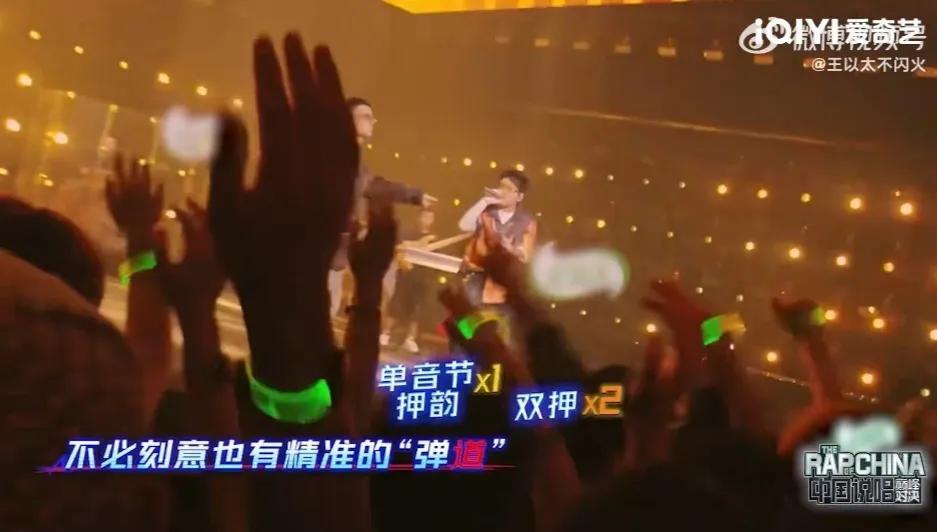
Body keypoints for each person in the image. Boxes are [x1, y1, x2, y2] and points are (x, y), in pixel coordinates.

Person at [328, 97, 437, 317]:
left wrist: (415, 196)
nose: (373, 121)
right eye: (366, 116)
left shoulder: (352, 161)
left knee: (325, 308)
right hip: (318, 251)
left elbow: (374, 186)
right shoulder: (332, 155)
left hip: (332, 254)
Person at [457, 169, 537, 309]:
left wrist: (510, 249)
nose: (503, 191)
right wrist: (485, 201)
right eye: (501, 186)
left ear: (519, 196)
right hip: (475, 276)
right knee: (467, 319)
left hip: (501, 283)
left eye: (509, 189)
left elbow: (526, 255)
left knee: (494, 320)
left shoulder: (526, 222)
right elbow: (464, 226)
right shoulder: (486, 212)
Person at [381, 207, 438, 353]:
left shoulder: (435, 238)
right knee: (397, 304)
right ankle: (385, 334)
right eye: (424, 216)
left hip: (422, 278)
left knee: (417, 309)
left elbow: (435, 260)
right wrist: (419, 244)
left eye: (430, 217)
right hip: (405, 275)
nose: (427, 219)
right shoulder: (408, 233)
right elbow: (399, 248)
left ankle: (410, 339)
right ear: (419, 217)